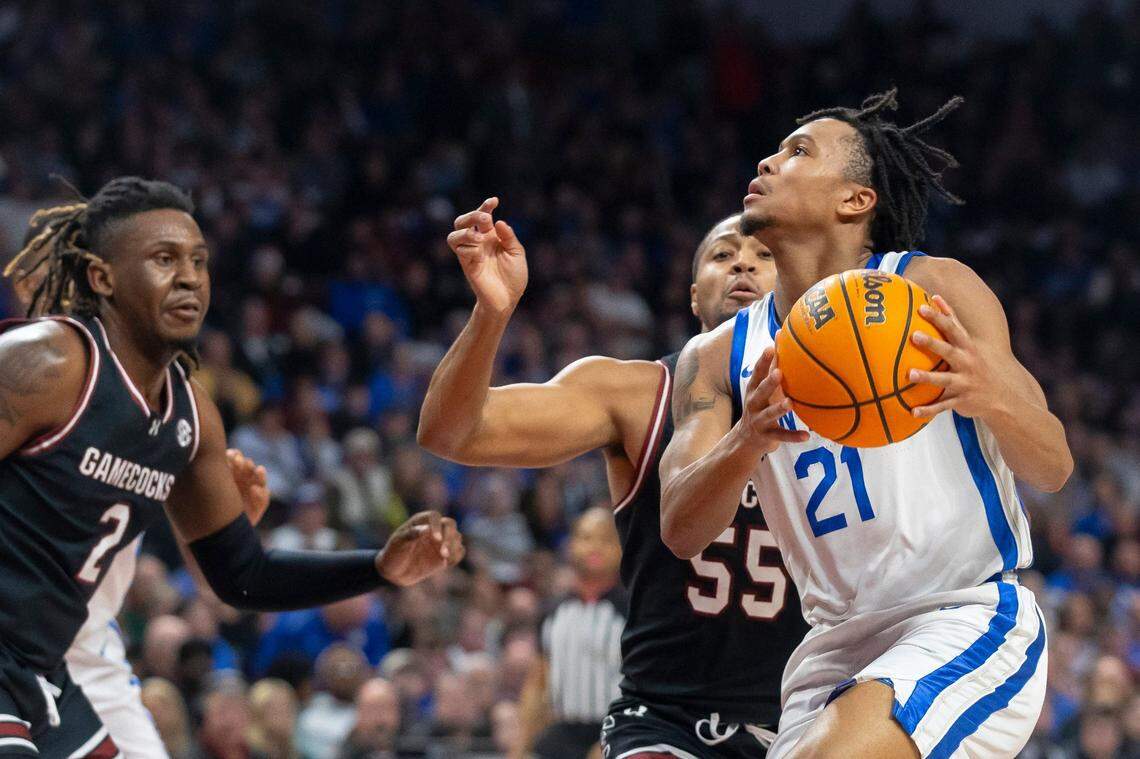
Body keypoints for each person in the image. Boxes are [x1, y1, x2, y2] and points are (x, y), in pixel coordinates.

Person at [657, 89, 1072, 758]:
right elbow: (680, 528)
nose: (766, 161)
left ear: (855, 199)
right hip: (830, 649)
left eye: (797, 152)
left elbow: (1053, 463)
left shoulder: (934, 289)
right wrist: (747, 439)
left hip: (962, 614)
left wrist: (988, 391)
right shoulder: (715, 357)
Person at [0, 176, 464, 757]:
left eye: (198, 260)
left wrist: (379, 569)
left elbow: (243, 576)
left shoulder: (192, 415)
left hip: (38, 670)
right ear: (102, 278)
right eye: (164, 259)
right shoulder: (47, 363)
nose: (190, 276)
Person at [419, 201, 806, 757]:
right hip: (666, 718)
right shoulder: (633, 393)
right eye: (723, 254)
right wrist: (491, 313)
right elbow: (451, 433)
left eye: (764, 255)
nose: (742, 265)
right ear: (694, 294)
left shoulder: (846, 407)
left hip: (801, 716)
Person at [11, 204, 274, 759]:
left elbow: (219, 583)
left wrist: (232, 531)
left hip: (82, 651)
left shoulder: (163, 407)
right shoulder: (39, 377)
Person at [517, 507, 626, 759]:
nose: (595, 547)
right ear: (571, 545)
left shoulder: (633, 611)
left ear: (621, 548)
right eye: (586, 538)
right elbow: (538, 681)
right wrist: (519, 747)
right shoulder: (553, 612)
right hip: (563, 730)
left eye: (606, 539)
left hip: (617, 730)